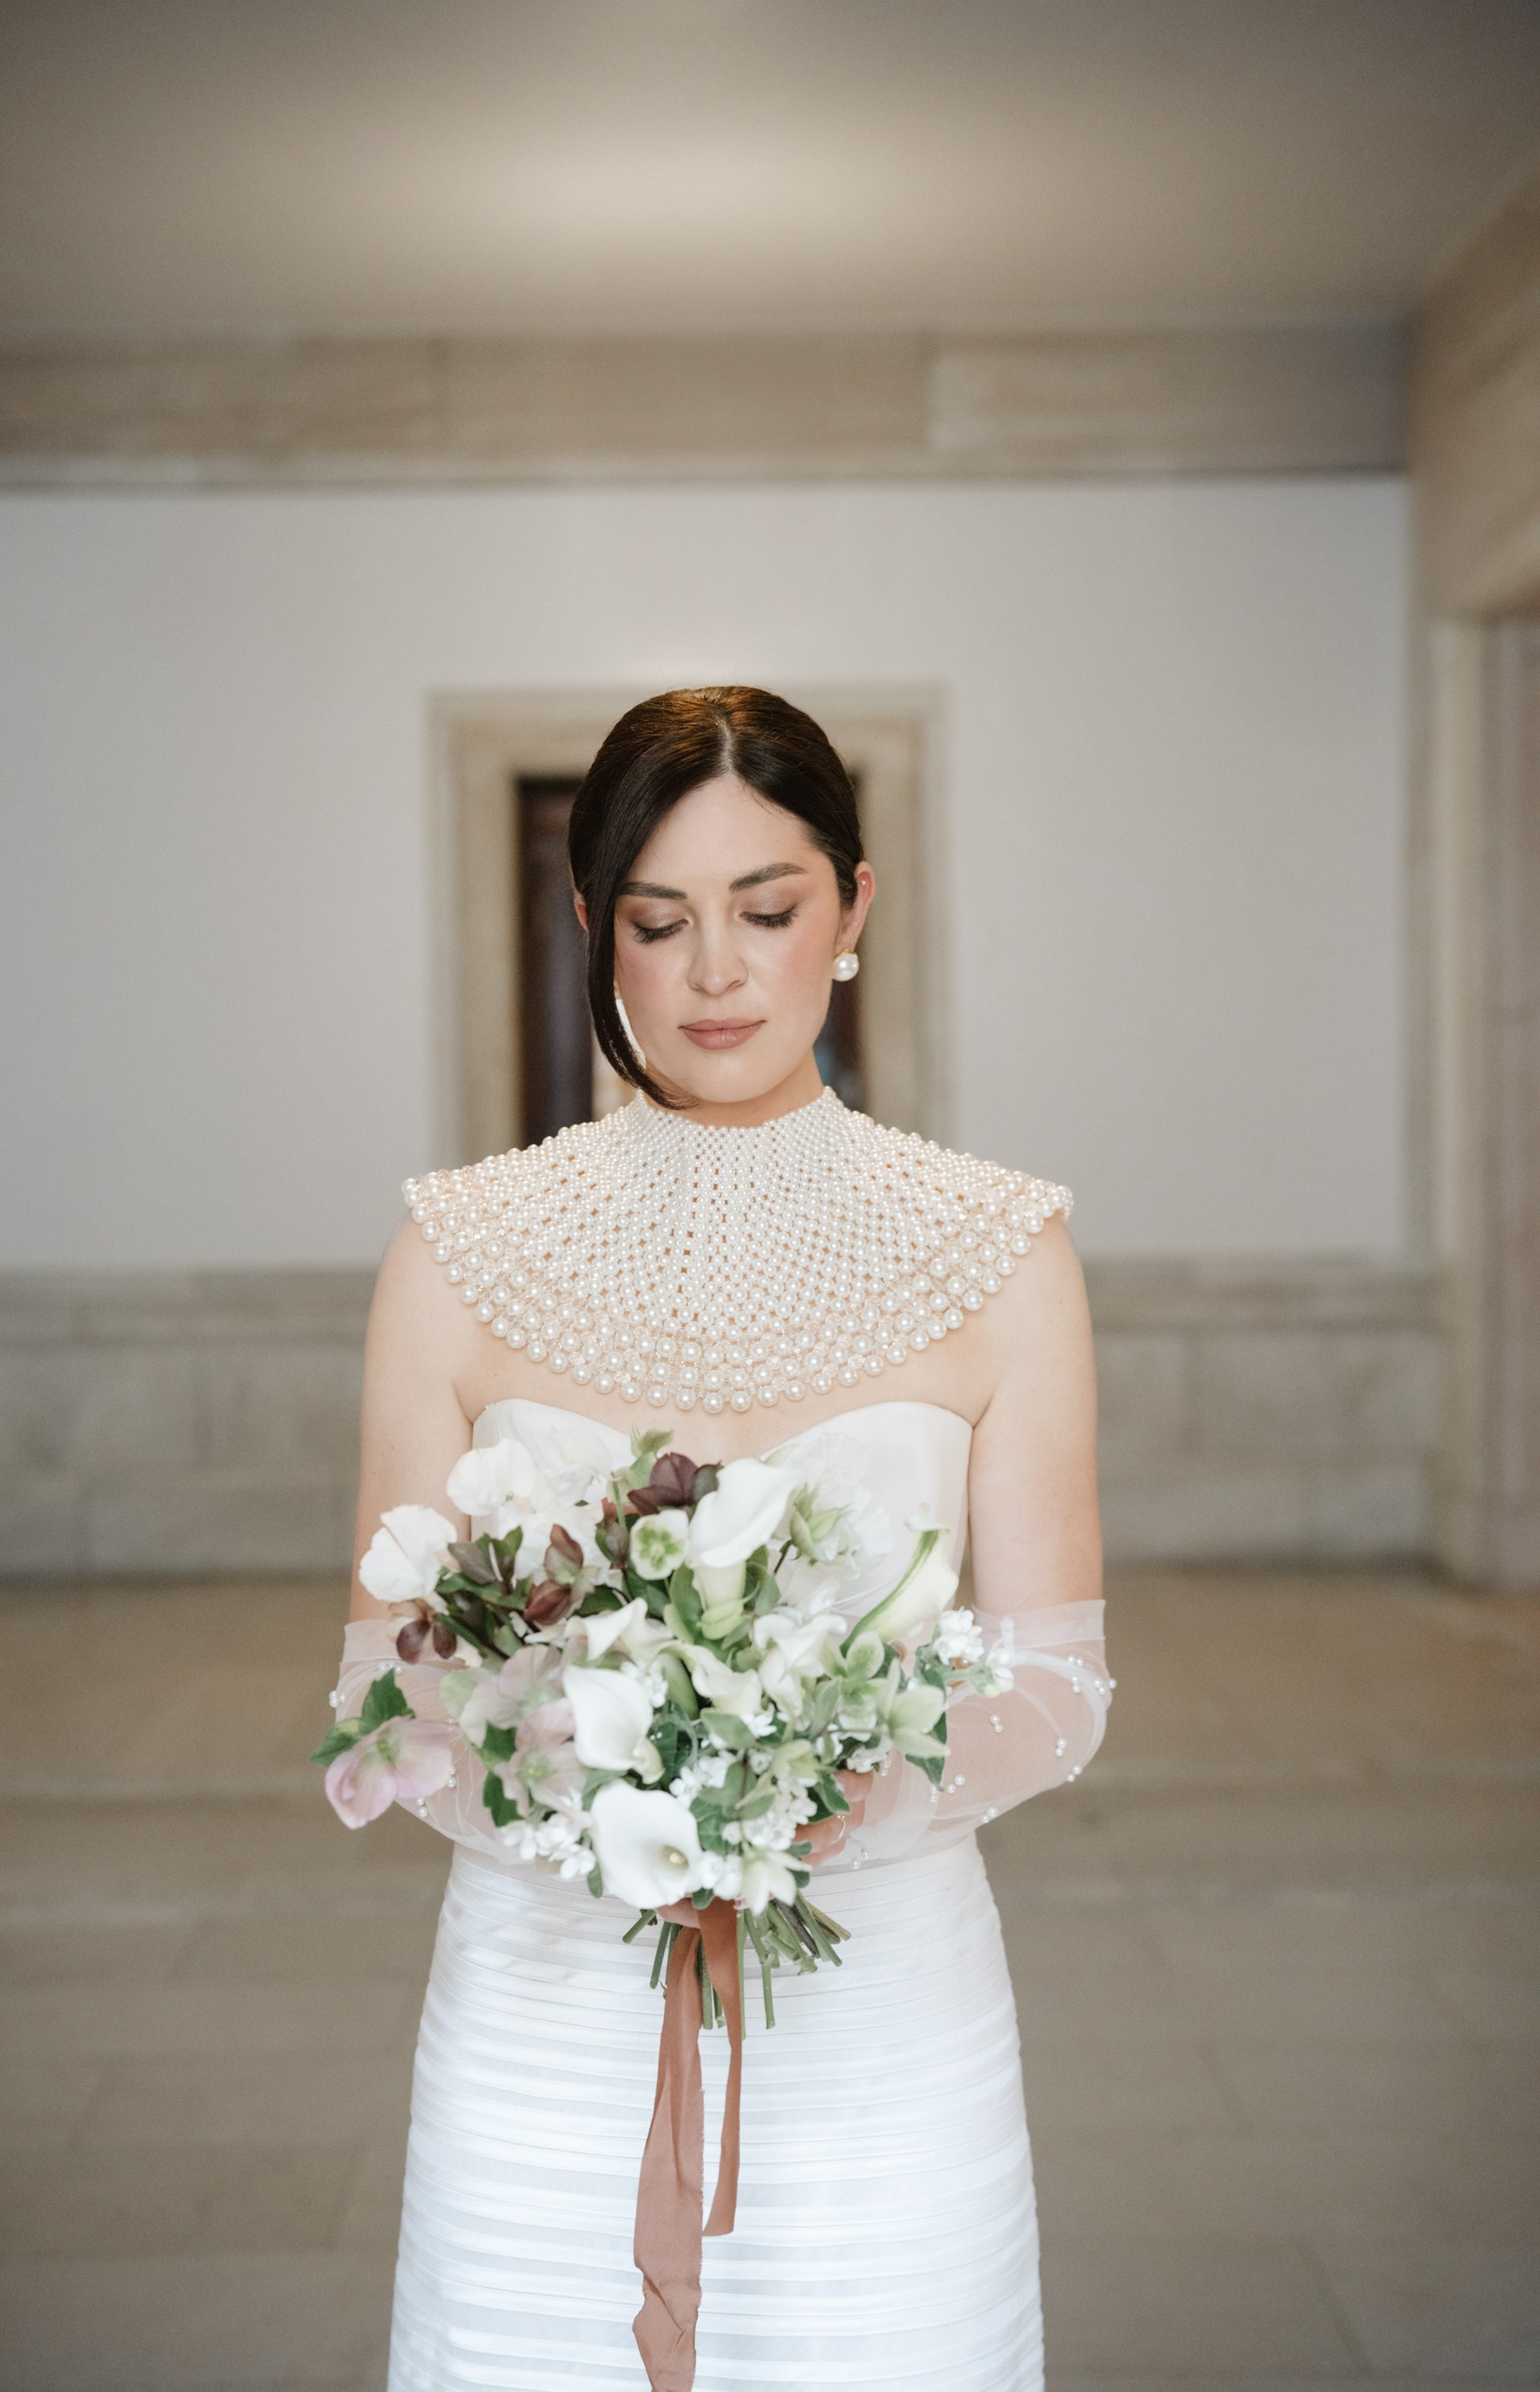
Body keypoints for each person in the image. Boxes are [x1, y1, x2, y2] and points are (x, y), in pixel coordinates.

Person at [332, 686, 1110, 2392]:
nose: (713, 974)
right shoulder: (457, 1249)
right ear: (596, 930)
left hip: (885, 2014)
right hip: (544, 2016)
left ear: (853, 911)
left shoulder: (999, 1247)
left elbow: (1058, 1687)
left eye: (767, 912)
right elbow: (387, 1679)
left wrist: (827, 1790)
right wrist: (608, 1801)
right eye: (658, 922)